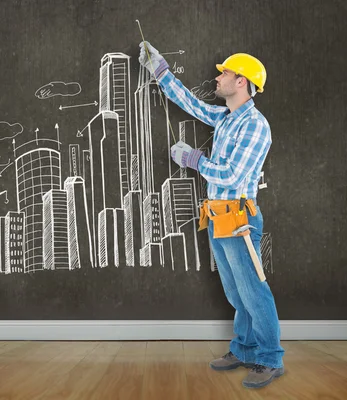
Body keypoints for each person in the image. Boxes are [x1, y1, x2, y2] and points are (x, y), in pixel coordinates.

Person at [139, 41, 285, 389]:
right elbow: (190, 103)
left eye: (225, 73)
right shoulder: (226, 118)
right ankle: (244, 348)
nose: (217, 76)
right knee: (236, 293)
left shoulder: (255, 126)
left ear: (241, 83)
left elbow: (233, 175)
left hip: (239, 219)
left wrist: (194, 160)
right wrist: (159, 69)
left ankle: (269, 359)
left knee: (253, 291)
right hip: (218, 217)